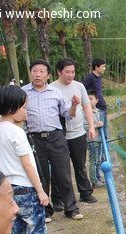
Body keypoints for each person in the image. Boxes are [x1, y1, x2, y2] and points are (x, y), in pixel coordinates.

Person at [0, 85, 68, 234]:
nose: (27, 111)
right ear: (12, 108)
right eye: (24, 107)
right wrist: (41, 191)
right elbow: (27, 165)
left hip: (9, 190)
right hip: (26, 190)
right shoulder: (16, 132)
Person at [21, 59, 83, 221]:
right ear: (31, 73)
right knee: (40, 175)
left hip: (56, 137)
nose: (38, 74)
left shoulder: (56, 93)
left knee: (63, 173)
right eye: (35, 71)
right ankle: (45, 210)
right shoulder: (23, 93)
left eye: (42, 71)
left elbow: (68, 115)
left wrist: (75, 105)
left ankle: (71, 208)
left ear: (48, 75)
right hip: (34, 139)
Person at [50, 58, 97, 205]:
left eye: (73, 72)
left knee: (80, 165)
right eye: (67, 72)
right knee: (60, 169)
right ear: (59, 72)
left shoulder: (79, 86)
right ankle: (58, 199)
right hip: (59, 135)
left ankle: (85, 193)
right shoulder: (51, 88)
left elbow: (87, 107)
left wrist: (91, 126)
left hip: (78, 133)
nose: (71, 75)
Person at [82, 58, 108, 137]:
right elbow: (82, 88)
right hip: (96, 110)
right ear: (96, 67)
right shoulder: (90, 77)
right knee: (98, 133)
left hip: (102, 107)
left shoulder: (99, 77)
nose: (104, 68)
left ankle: (105, 149)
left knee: (104, 130)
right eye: (103, 67)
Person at [85, 89, 105, 187]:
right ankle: (94, 181)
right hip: (91, 140)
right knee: (93, 160)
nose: (89, 101)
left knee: (99, 160)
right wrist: (96, 125)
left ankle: (98, 177)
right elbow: (84, 127)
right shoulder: (84, 112)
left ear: (97, 100)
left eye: (91, 99)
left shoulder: (98, 111)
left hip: (99, 140)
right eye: (87, 99)